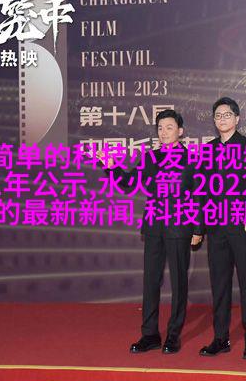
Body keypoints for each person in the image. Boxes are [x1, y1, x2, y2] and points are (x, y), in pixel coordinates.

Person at [98, 109, 204, 354]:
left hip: (180, 226)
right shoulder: (150, 158)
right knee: (151, 281)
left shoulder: (192, 160)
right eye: (160, 128)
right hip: (154, 225)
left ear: (180, 131)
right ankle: (150, 334)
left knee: (179, 282)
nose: (164, 132)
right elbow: (128, 182)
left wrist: (198, 228)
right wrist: (112, 167)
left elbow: (199, 196)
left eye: (169, 127)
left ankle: (173, 335)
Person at [198, 97, 246, 360]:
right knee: (220, 283)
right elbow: (201, 191)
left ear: (237, 118)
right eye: (218, 115)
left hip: (241, 225)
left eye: (227, 115)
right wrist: (200, 227)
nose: (222, 119)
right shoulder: (208, 150)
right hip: (216, 227)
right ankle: (221, 338)